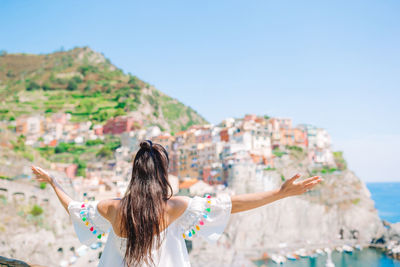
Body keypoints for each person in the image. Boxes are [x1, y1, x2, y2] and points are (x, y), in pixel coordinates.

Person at [31, 140, 322, 267]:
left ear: (135, 174)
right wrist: (280, 193)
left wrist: (54, 182)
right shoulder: (174, 207)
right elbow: (232, 204)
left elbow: (73, 207)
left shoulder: (111, 207)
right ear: (161, 174)